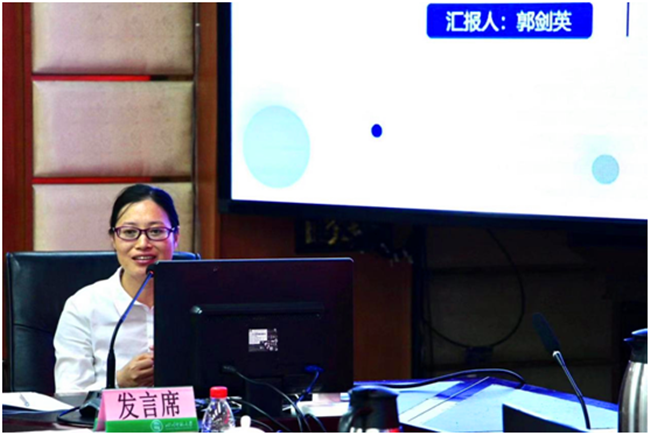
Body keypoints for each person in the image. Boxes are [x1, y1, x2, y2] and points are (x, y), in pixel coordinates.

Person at [53, 184, 180, 393]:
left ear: (175, 237)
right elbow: (69, 395)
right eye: (129, 232)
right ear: (113, 239)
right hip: (108, 416)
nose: (143, 243)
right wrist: (119, 383)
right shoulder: (83, 306)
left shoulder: (201, 300)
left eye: (156, 231)